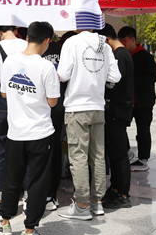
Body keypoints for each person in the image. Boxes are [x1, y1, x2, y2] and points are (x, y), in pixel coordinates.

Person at [0, 21, 59, 235]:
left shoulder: (10, 61)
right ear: (47, 41)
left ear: (27, 37)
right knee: (37, 182)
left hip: (15, 132)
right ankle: (29, 231)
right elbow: (52, 101)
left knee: (12, 179)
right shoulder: (46, 67)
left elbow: (3, 93)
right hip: (40, 133)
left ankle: (4, 224)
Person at [57, 29, 120, 220]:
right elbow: (115, 76)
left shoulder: (72, 43)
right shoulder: (104, 46)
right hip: (98, 106)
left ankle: (82, 205)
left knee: (78, 156)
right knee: (98, 155)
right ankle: (96, 201)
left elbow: (63, 74)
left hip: (77, 106)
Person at [0, 26, 27, 220]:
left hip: (2, 103)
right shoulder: (26, 45)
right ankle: (28, 200)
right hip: (24, 103)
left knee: (0, 152)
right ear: (15, 29)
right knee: (25, 151)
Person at [99, 24, 134, 210]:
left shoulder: (119, 55)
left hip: (118, 111)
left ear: (106, 39)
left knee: (120, 154)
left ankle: (123, 194)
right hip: (116, 110)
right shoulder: (119, 54)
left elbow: (114, 84)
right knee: (113, 152)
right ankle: (115, 188)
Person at [41, 30, 76, 210]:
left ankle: (44, 192)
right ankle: (50, 194)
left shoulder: (37, 51)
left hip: (45, 107)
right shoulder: (63, 51)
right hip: (58, 106)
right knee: (53, 148)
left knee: (44, 150)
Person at [118, 26, 156, 172]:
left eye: (125, 40)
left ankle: (143, 159)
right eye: (121, 40)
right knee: (120, 127)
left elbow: (152, 77)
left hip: (143, 101)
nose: (122, 43)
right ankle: (128, 152)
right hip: (127, 101)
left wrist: (132, 81)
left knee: (143, 131)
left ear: (133, 39)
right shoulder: (121, 55)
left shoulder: (145, 56)